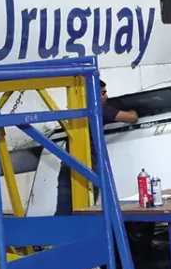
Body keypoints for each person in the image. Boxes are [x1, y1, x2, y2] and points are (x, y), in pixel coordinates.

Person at [55, 80, 137, 215]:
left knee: (63, 213)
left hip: (68, 164)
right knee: (86, 212)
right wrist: (133, 109)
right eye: (103, 93)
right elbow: (132, 118)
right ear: (92, 94)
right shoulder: (101, 110)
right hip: (90, 166)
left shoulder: (75, 109)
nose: (106, 97)